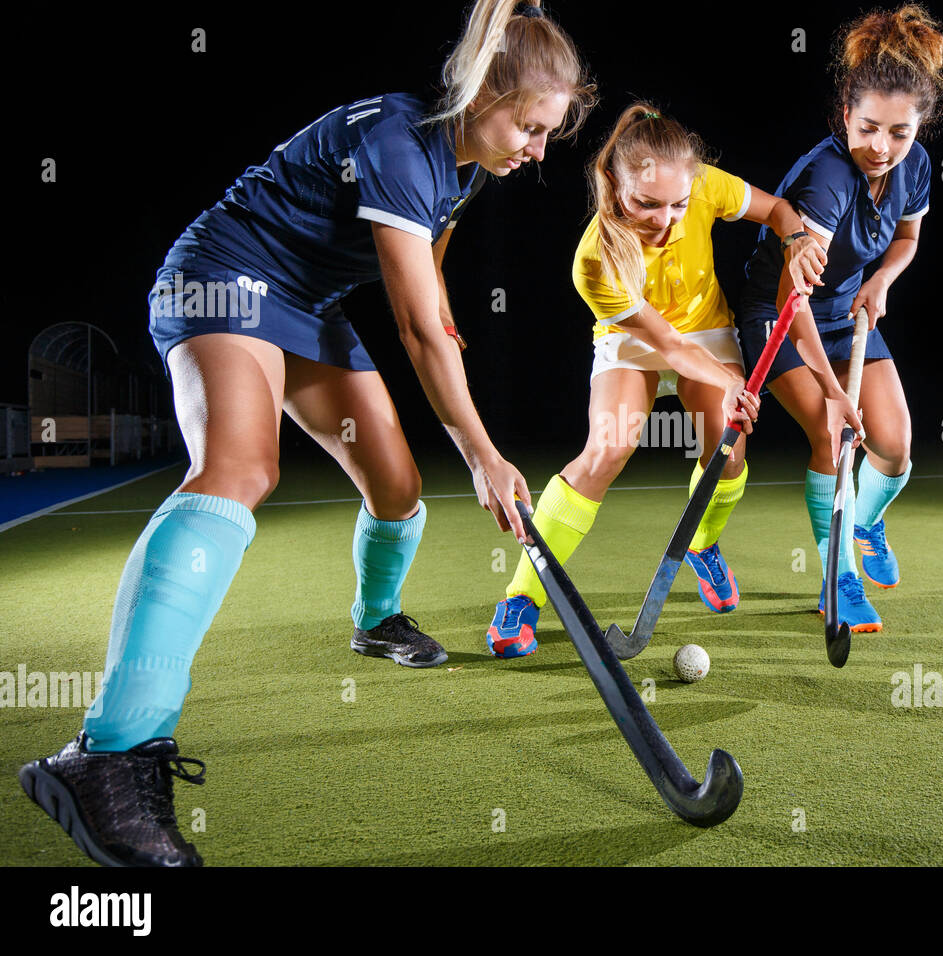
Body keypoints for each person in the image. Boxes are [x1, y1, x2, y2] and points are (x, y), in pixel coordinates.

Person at [17, 0, 595, 867]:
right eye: (530, 125)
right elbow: (413, 331)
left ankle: (375, 620)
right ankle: (108, 755)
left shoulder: (469, 165)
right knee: (244, 467)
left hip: (304, 308)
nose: (538, 150)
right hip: (219, 278)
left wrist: (437, 294)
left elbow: (430, 251)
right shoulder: (400, 141)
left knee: (396, 489)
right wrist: (483, 449)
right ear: (480, 92)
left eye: (550, 133)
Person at [484, 103, 862, 658]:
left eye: (679, 205)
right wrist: (728, 380)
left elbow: (780, 209)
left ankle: (701, 545)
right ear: (614, 185)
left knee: (729, 450)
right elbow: (665, 345)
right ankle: (523, 595)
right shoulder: (594, 259)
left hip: (705, 328)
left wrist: (796, 240)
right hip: (638, 337)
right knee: (607, 449)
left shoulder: (707, 184)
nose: (665, 221)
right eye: (647, 204)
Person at [736, 4, 943, 633]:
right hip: (778, 318)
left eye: (899, 133)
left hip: (846, 312)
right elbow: (790, 299)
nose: (881, 148)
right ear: (845, 115)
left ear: (918, 128)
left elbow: (907, 241)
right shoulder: (828, 180)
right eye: (868, 129)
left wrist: (881, 280)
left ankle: (863, 519)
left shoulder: (913, 166)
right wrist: (835, 393)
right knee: (834, 439)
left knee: (894, 448)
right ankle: (839, 582)